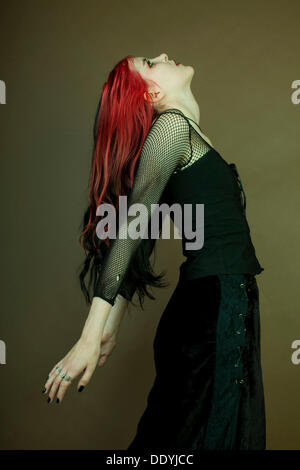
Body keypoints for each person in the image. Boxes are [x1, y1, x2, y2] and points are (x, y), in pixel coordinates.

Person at [41, 53, 266, 450]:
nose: (162, 55)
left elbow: (144, 236)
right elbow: (131, 227)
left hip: (219, 307)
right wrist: (91, 335)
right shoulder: (172, 128)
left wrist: (112, 326)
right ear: (153, 92)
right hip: (214, 311)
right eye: (149, 61)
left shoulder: (187, 135)